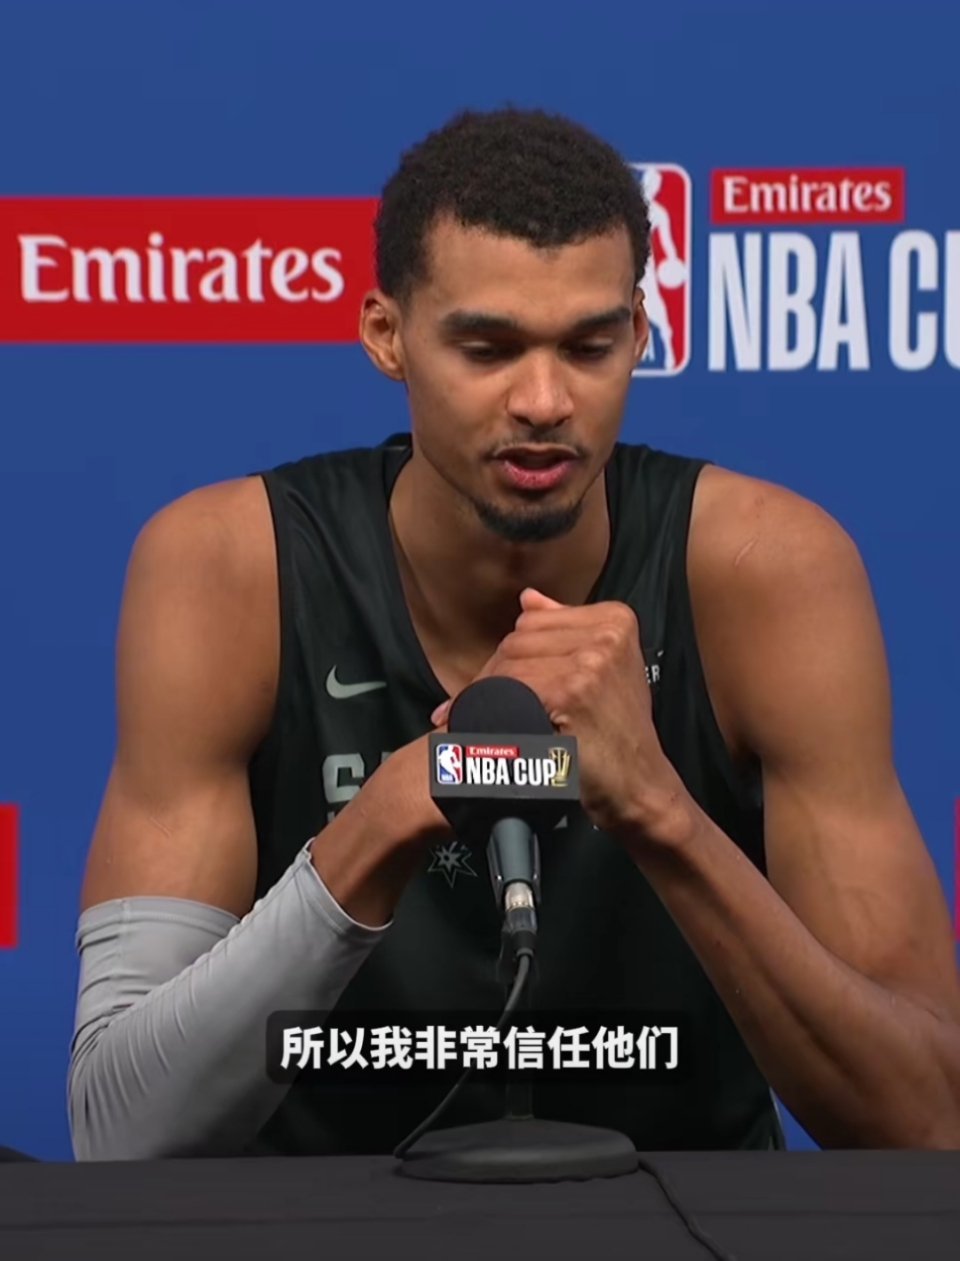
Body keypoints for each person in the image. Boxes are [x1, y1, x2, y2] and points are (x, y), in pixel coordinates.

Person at [68, 108, 960, 1160]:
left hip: (690, 1227)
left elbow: (926, 1118)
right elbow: (121, 1132)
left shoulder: (767, 571)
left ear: (641, 335)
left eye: (589, 346)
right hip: (320, 1227)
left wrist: (659, 809)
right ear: (387, 336)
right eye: (487, 348)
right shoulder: (230, 567)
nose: (543, 401)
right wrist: (384, 818)